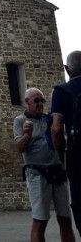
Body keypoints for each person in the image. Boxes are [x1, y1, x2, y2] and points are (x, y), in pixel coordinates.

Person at [15, 87, 74, 242]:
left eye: (42, 100)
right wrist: (27, 135)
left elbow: (61, 140)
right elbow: (19, 148)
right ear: (27, 102)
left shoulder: (49, 119)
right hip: (37, 173)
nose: (40, 103)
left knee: (65, 218)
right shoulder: (20, 121)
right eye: (36, 100)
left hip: (57, 171)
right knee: (40, 220)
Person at [52, 51, 81, 234]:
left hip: (77, 155)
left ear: (67, 69)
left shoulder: (61, 91)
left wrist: (61, 157)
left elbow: (56, 129)